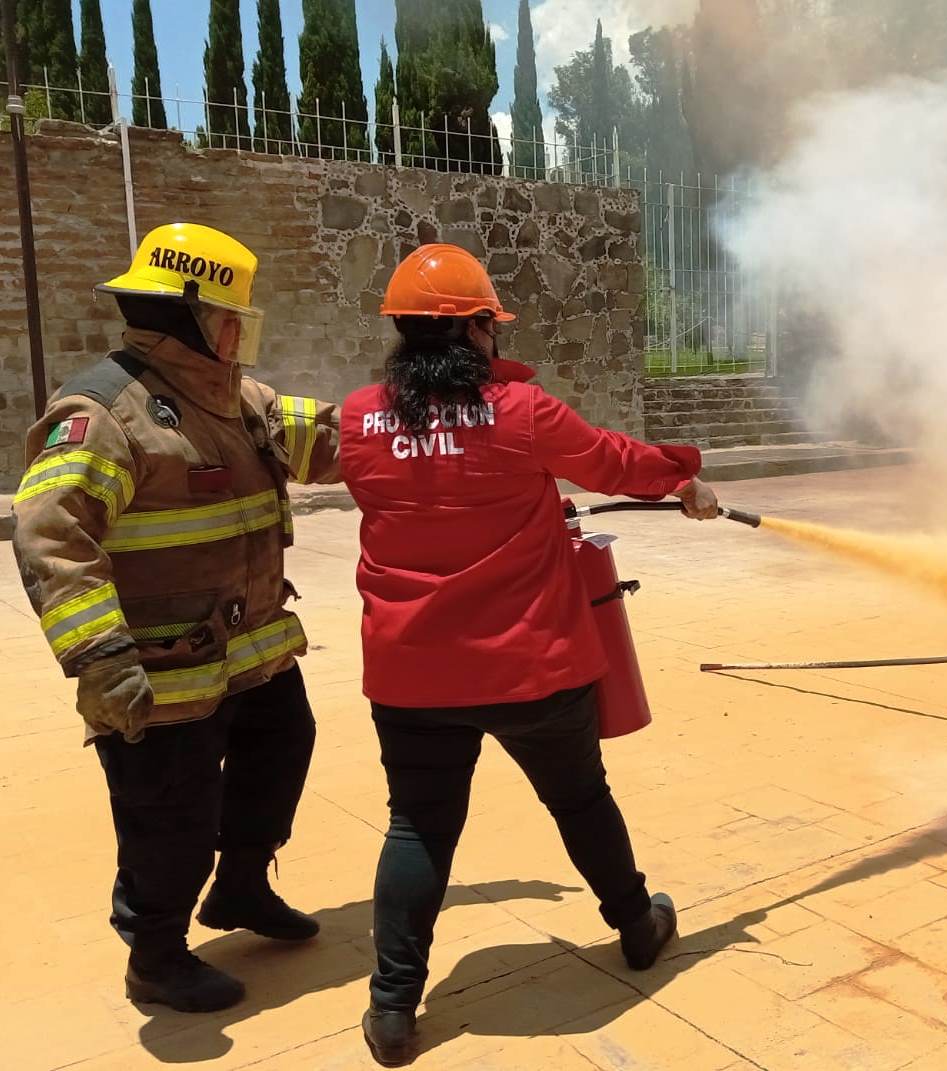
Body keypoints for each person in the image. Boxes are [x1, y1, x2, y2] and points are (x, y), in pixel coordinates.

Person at [340, 243, 719, 1067]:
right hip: (530, 667)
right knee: (580, 800)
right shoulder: (522, 411)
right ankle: (635, 926)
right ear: (477, 330)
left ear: (403, 332)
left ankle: (394, 1007)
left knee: (418, 826)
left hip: (412, 674)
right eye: (488, 323)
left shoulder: (359, 419)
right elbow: (615, 461)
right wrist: (683, 477)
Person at [11, 223, 343, 1013]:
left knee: (281, 753)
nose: (242, 336)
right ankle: (156, 955)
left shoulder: (237, 398)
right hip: (161, 675)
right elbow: (52, 533)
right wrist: (102, 659)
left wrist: (425, 409)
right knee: (170, 819)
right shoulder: (104, 412)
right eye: (234, 319)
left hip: (251, 655)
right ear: (193, 315)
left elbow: (329, 439)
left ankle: (240, 888)